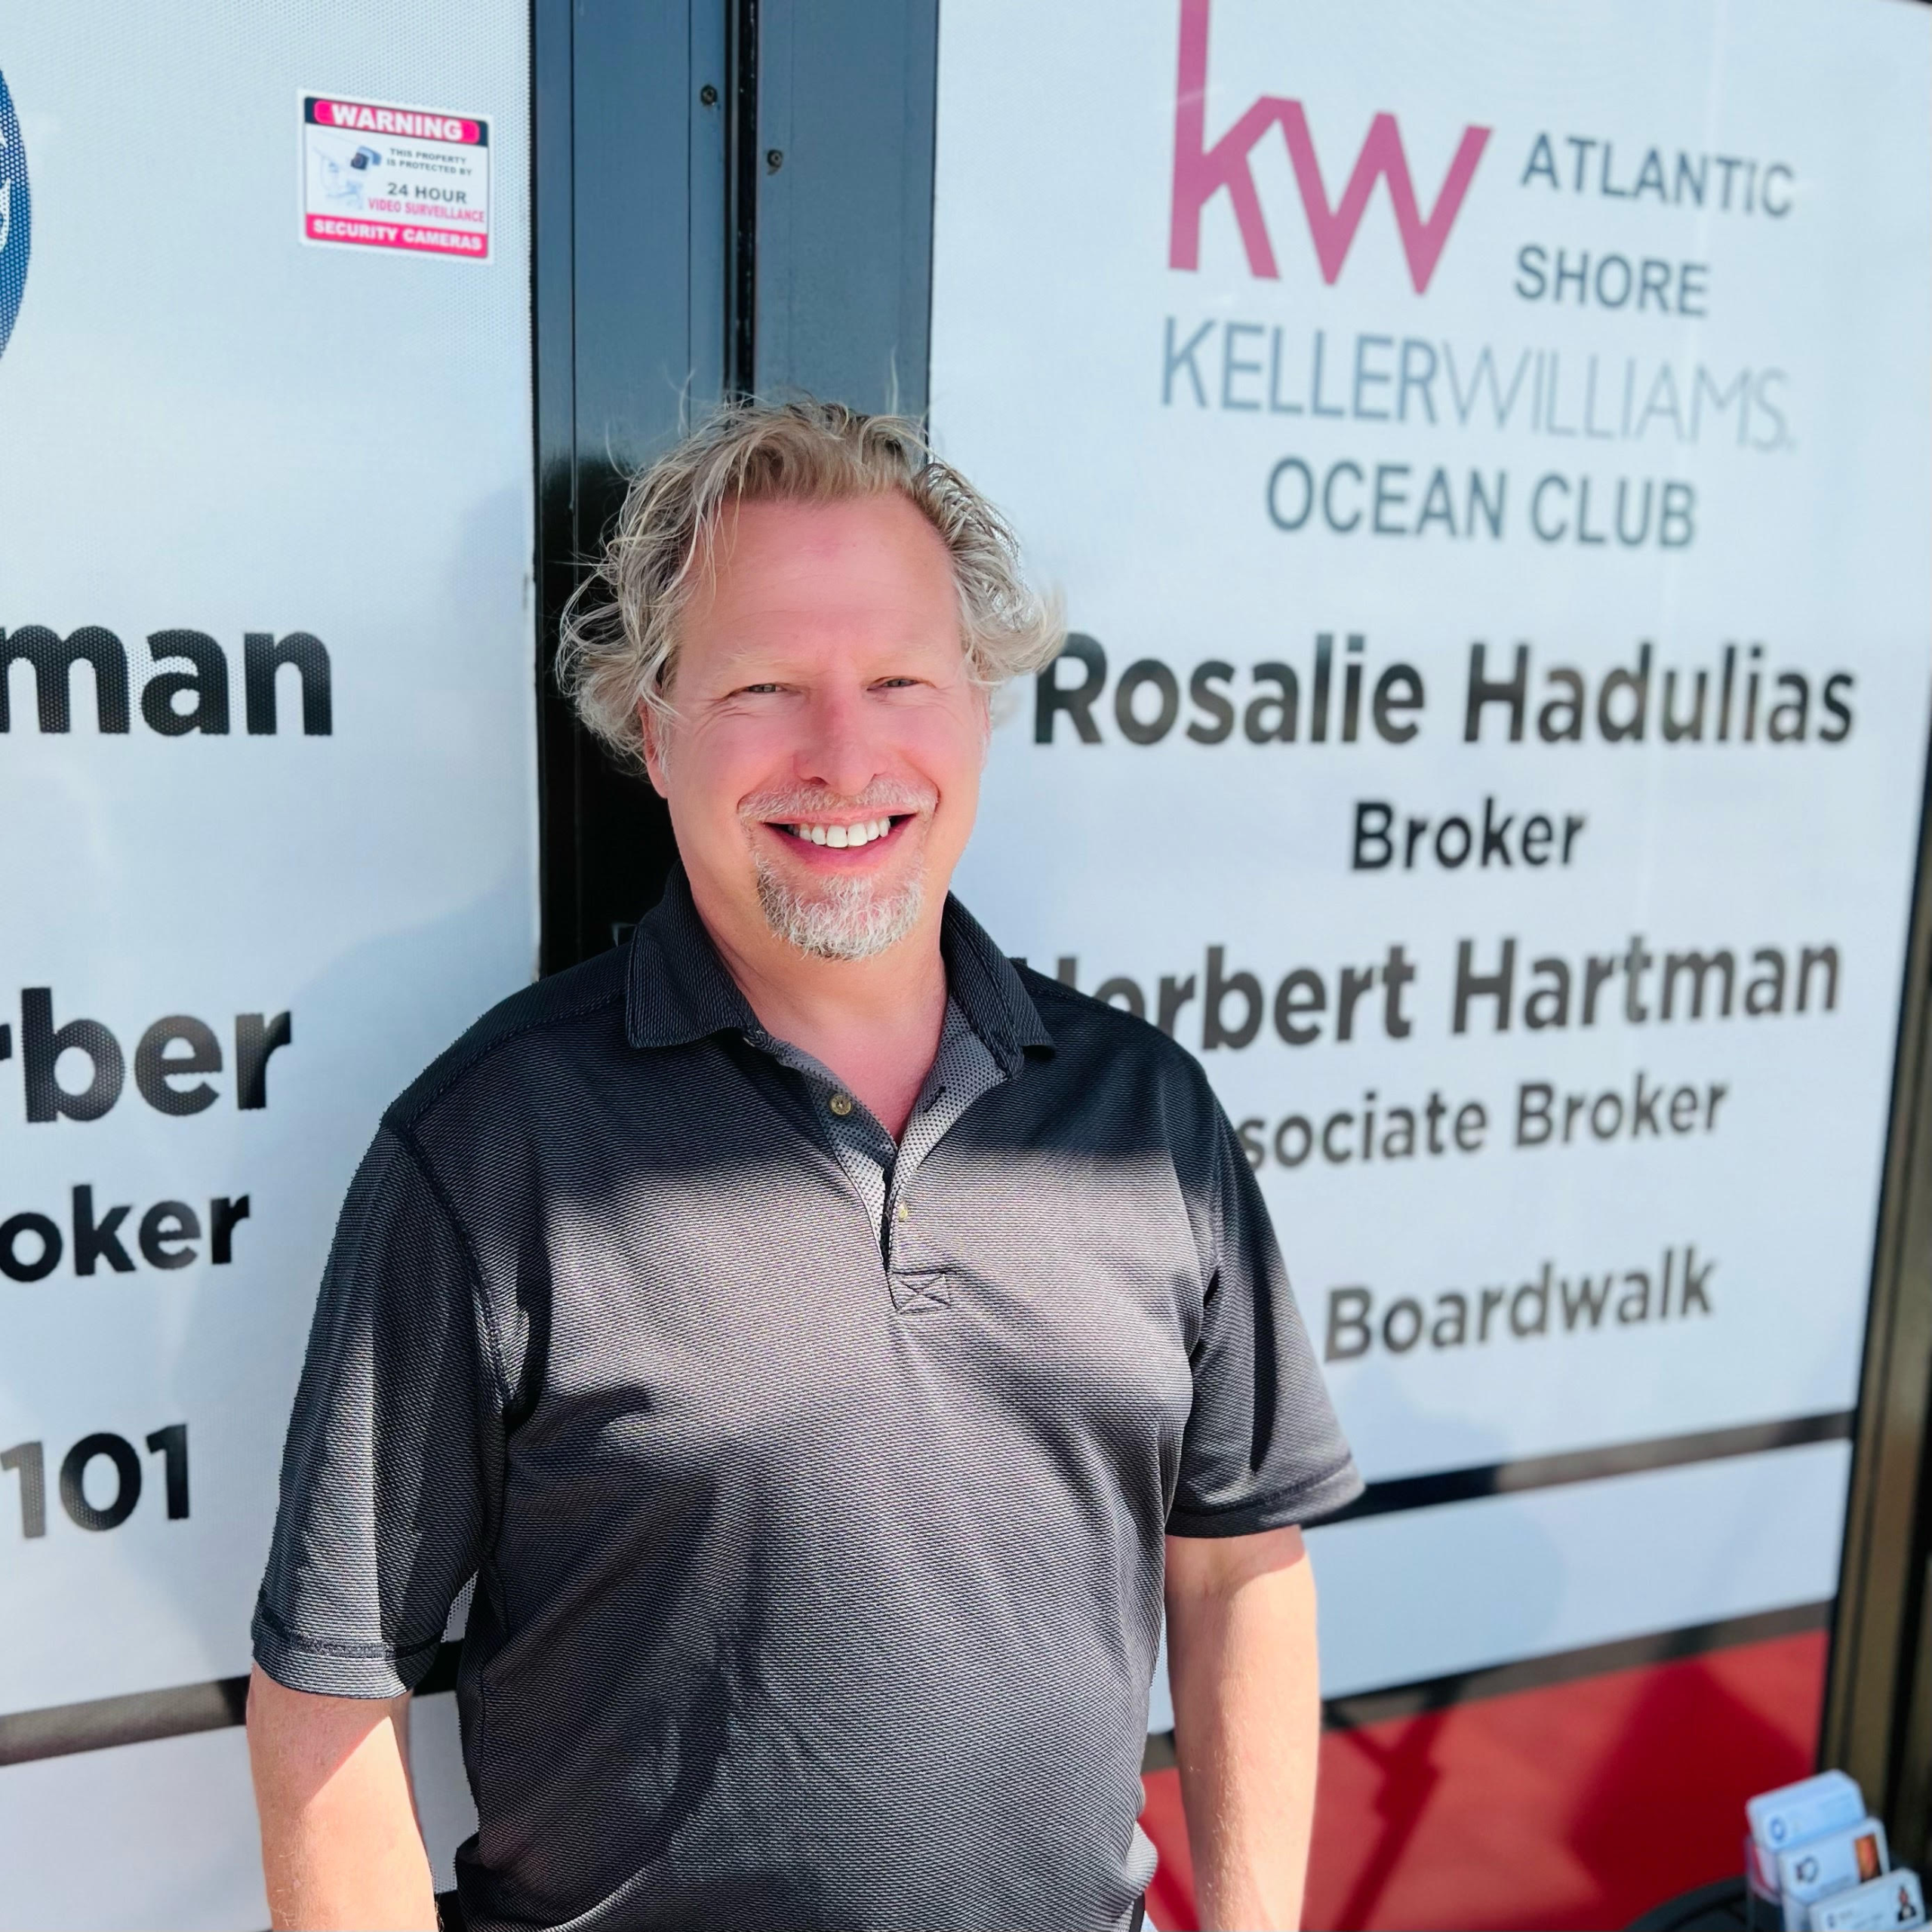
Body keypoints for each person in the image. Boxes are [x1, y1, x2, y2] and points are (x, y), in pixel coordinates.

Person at [245, 400, 1361, 1932]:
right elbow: (329, 1696)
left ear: (976, 710)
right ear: (654, 732)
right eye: (763, 685)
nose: (845, 756)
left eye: (899, 679)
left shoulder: (1143, 1116)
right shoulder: (496, 1147)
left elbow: (1239, 1568)